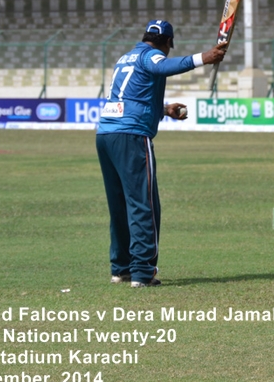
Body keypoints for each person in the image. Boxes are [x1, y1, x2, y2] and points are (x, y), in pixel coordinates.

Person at [96, 19, 226, 287]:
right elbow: (164, 66)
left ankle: (121, 268)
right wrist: (206, 57)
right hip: (131, 136)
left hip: (106, 134)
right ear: (168, 42)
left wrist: (163, 109)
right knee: (144, 205)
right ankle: (143, 273)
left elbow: (134, 95)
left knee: (119, 205)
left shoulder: (126, 57)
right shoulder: (151, 55)